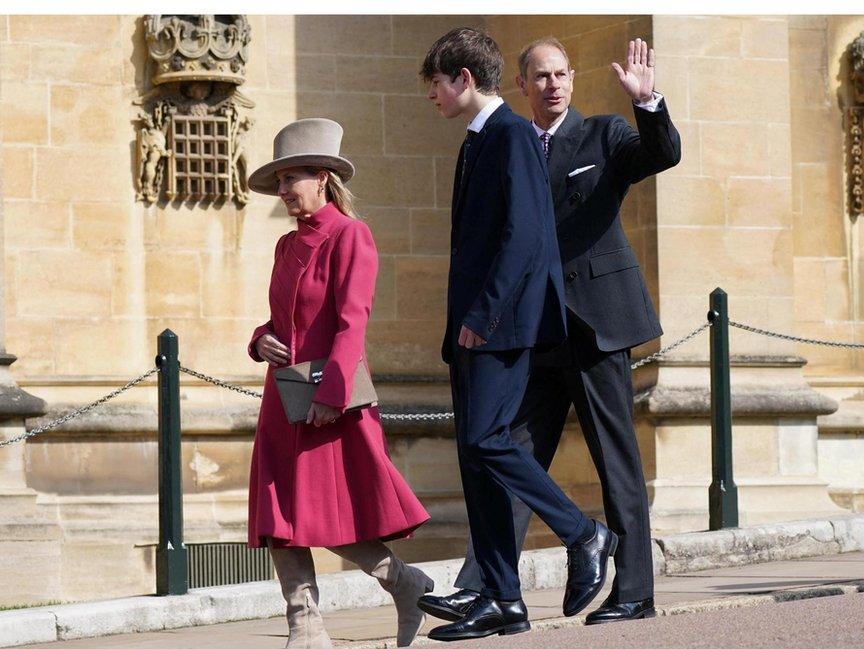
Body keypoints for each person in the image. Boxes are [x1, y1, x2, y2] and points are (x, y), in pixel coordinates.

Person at [425, 37, 682, 626]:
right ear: (522, 84)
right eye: (541, 77)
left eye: (562, 74)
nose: (554, 85)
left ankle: (635, 591)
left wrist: (649, 105)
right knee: (509, 455)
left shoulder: (604, 135)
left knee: (615, 464)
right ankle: (488, 588)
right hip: (535, 330)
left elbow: (661, 154)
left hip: (595, 326)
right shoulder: (512, 140)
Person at [245, 118, 433, 648]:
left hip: (332, 401)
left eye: (292, 179)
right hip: (284, 398)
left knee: (334, 519)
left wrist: (332, 396)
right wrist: (261, 340)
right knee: (279, 514)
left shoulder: (352, 235)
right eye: (279, 181)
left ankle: (406, 584)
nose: (283, 190)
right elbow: (281, 321)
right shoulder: (286, 246)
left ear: (322, 178)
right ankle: (305, 626)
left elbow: (354, 321)